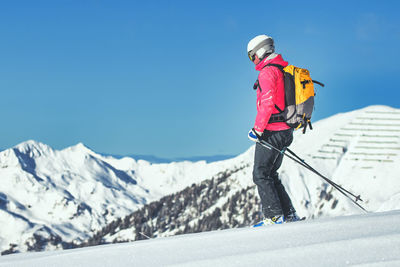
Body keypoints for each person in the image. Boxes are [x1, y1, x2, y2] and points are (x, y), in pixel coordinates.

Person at [246, 35, 300, 225]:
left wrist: (257, 130)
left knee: (260, 173)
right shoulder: (283, 69)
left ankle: (274, 217)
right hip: (286, 130)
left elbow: (267, 104)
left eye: (252, 56)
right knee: (270, 174)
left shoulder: (268, 72)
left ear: (260, 51)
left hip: (272, 131)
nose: (253, 60)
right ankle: (289, 215)